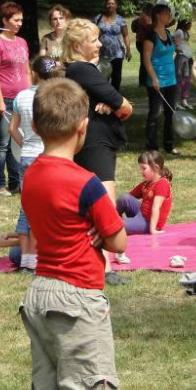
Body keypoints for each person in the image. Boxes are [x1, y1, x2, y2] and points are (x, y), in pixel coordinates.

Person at [19, 78, 126, 390]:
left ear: (34, 125)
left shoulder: (31, 174)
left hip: (40, 293)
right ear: (84, 127)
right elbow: (118, 241)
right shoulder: (86, 182)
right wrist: (102, 230)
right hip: (77, 298)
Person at [63, 19, 133, 285]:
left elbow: (114, 103)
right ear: (79, 45)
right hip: (95, 144)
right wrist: (115, 105)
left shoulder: (75, 70)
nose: (101, 44)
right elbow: (125, 107)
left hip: (92, 141)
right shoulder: (83, 70)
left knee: (94, 205)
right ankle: (103, 269)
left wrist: (108, 103)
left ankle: (95, 262)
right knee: (104, 203)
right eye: (94, 40)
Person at [8, 56, 63, 273]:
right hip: (48, 154)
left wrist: (24, 145)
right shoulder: (53, 97)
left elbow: (13, 129)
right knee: (48, 207)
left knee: (26, 208)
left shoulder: (21, 97)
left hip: (27, 156)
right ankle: (46, 255)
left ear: (34, 73)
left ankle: (26, 262)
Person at [0, 1, 30, 196]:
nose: (20, 23)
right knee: (3, 143)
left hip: (22, 99)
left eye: (21, 19)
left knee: (17, 141)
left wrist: (30, 94)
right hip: (6, 98)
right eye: (16, 20)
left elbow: (27, 70)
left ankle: (15, 182)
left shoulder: (22, 42)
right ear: (5, 20)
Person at [142, 4, 178, 155]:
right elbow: (146, 59)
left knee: (170, 113)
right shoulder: (150, 36)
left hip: (171, 79)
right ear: (158, 15)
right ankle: (152, 146)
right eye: (166, 13)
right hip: (156, 81)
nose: (169, 15)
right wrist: (154, 79)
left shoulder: (169, 33)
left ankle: (169, 145)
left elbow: (169, 53)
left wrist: (176, 47)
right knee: (155, 114)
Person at [116, 150, 173, 236]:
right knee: (124, 198)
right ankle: (109, 217)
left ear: (156, 168)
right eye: (141, 168)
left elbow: (156, 207)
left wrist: (152, 229)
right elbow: (128, 197)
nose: (141, 171)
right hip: (142, 214)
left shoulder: (162, 183)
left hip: (149, 222)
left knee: (118, 225)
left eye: (144, 168)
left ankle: (109, 224)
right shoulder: (148, 182)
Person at [95, 0, 131, 91]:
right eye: (108, 3)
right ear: (105, 5)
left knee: (116, 78)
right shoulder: (98, 18)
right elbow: (92, 34)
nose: (110, 5)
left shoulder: (121, 20)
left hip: (117, 54)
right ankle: (104, 98)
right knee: (103, 78)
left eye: (112, 3)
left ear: (116, 5)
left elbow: (126, 35)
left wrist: (128, 50)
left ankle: (115, 99)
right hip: (102, 54)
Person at [131, 2, 154, 87]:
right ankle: (143, 83)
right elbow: (150, 26)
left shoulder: (147, 17)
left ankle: (146, 81)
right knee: (145, 62)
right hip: (142, 42)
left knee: (146, 61)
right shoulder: (144, 17)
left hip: (145, 42)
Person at [173, 18, 194, 110]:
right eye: (189, 23)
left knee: (187, 80)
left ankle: (184, 100)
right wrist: (178, 50)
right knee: (180, 80)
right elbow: (173, 41)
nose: (191, 24)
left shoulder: (185, 32)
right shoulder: (179, 32)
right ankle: (176, 102)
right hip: (182, 58)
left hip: (188, 58)